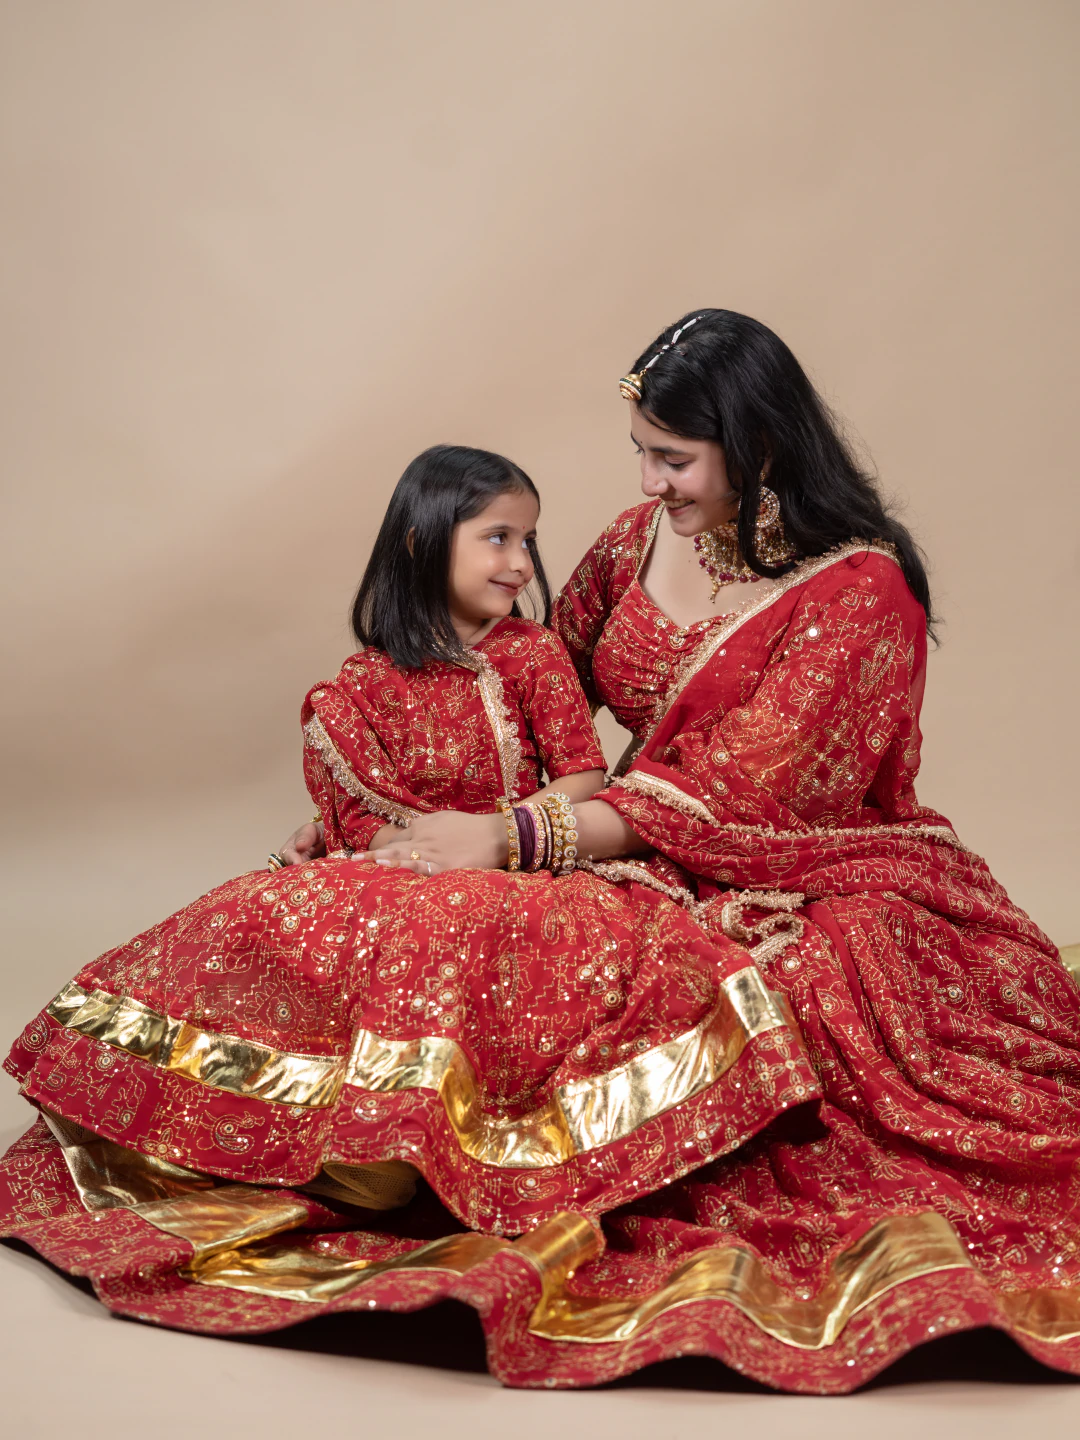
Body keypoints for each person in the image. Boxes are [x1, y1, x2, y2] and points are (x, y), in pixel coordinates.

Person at [4, 315, 1078, 1394]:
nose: (650, 482)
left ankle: (432, 1162)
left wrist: (513, 838)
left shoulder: (859, 593)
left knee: (577, 951)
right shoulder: (640, 539)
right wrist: (373, 811)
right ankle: (289, 1136)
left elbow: (746, 795)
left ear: (755, 444)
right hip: (612, 838)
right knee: (372, 903)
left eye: (674, 458)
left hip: (791, 867)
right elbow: (520, 690)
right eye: (640, 453)